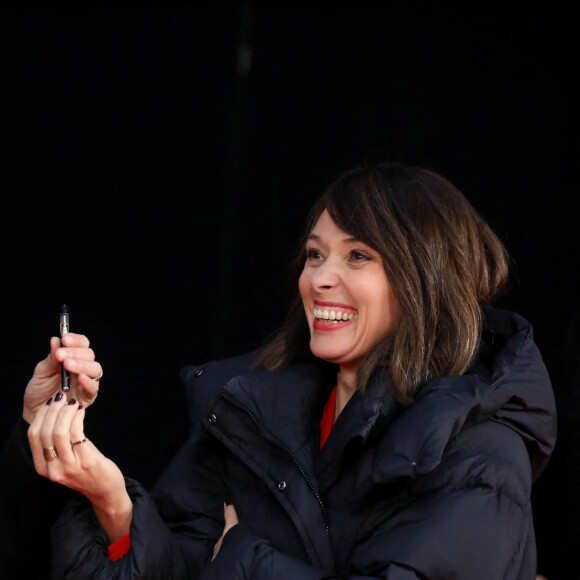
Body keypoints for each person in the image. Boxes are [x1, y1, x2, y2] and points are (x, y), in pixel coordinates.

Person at [7, 162, 557, 578]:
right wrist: (110, 500)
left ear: (425, 281)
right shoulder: (247, 414)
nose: (319, 278)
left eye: (358, 256)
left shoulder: (480, 453)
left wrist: (242, 558)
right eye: (315, 255)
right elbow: (177, 566)